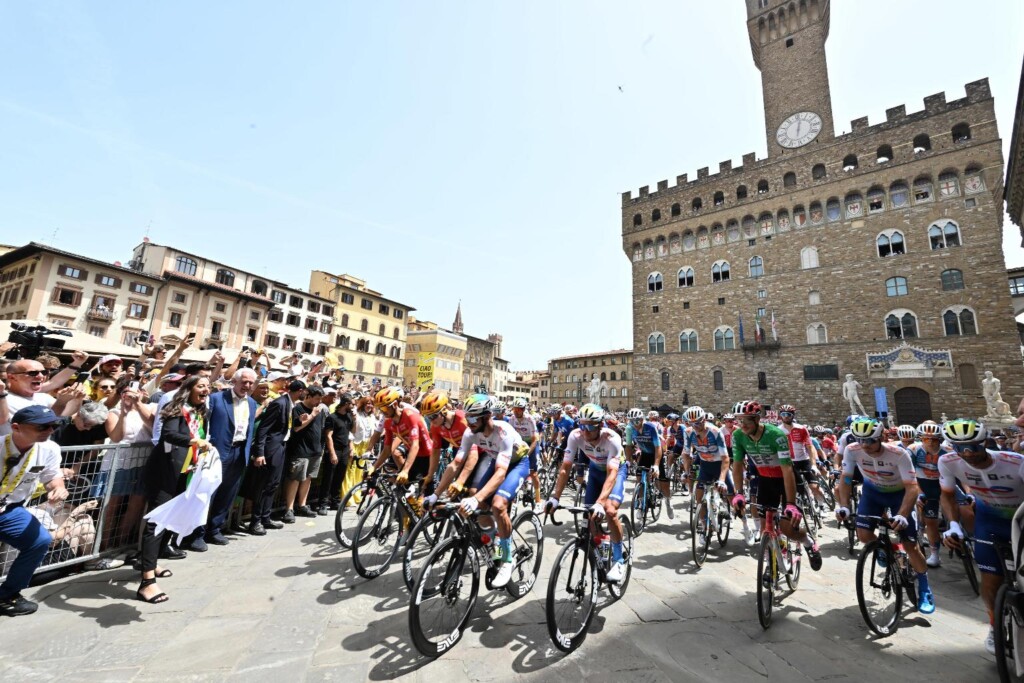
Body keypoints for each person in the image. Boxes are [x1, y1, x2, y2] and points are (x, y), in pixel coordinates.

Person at [939, 419, 1024, 655]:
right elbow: (946, 494)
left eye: (973, 447)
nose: (967, 453)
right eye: (960, 448)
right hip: (989, 519)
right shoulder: (948, 461)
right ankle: (994, 624)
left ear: (985, 442)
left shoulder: (1015, 462)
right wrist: (954, 524)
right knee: (989, 578)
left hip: (1020, 518)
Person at [837, 417, 934, 614]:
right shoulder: (852, 449)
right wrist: (844, 505)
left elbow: (912, 487)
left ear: (881, 437)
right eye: (860, 439)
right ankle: (890, 552)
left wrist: (903, 514)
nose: (865, 445)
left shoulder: (898, 453)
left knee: (911, 545)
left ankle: (924, 586)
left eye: (870, 440)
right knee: (863, 535)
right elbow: (846, 478)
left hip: (899, 495)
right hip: (873, 494)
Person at [138, 375, 211, 603]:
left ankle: (152, 563)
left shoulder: (202, 411)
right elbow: (168, 434)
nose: (206, 390)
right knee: (156, 521)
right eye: (201, 386)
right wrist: (193, 442)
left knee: (170, 519)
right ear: (188, 389)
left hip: (186, 471)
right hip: (165, 470)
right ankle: (146, 583)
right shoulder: (176, 408)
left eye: (208, 387)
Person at [444, 394, 529, 588]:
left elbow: (501, 473)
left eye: (474, 418)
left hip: (517, 464)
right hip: (497, 460)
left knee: (498, 505)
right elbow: (456, 463)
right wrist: (435, 492)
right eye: (467, 418)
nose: (469, 423)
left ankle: (507, 559)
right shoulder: (470, 433)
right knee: (481, 504)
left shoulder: (503, 431)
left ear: (487, 416)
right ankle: (495, 542)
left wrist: (475, 498)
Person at [730, 400, 822, 571]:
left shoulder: (775, 435)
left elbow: (787, 469)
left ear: (757, 419)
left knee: (788, 529)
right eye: (738, 420)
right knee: (767, 527)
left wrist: (791, 504)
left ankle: (808, 543)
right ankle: (770, 560)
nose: (741, 425)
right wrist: (739, 493)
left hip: (786, 479)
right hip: (766, 480)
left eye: (746, 420)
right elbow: (737, 465)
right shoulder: (738, 436)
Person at [546, 403, 629, 582]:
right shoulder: (575, 435)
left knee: (609, 510)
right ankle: (600, 547)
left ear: (600, 425)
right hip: (596, 470)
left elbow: (612, 474)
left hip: (616, 471)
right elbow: (565, 467)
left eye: (590, 426)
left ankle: (619, 559)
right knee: (589, 516)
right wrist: (555, 497)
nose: (585, 431)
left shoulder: (612, 438)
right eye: (581, 425)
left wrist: (601, 502)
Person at [0, 406, 68, 616]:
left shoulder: (50, 448)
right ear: (16, 428)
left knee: (39, 541)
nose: (49, 430)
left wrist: (59, 487)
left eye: (53, 425)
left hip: (10, 509)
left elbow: (51, 477)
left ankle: (7, 596)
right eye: (42, 426)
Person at [201, 368, 257, 545]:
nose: (246, 386)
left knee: (227, 494)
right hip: (217, 453)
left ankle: (214, 529)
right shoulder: (217, 399)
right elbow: (205, 423)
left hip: (239, 453)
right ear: (235, 381)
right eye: (244, 382)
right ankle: (197, 534)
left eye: (250, 383)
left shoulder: (252, 403)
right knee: (208, 493)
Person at [248, 380, 305, 534]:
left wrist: (299, 420)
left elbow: (285, 425)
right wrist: (259, 452)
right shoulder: (279, 403)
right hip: (270, 449)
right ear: (299, 391)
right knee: (264, 486)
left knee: (273, 484)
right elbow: (263, 428)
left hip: (281, 447)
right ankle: (255, 521)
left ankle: (265, 518)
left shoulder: (290, 404)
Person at [282, 385, 327, 522]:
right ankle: (289, 508)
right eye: (317, 398)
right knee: (295, 478)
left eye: (320, 399)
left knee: (308, 478)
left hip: (315, 450)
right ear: (308, 396)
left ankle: (302, 505)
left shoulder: (320, 410)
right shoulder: (298, 408)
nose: (319, 402)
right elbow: (296, 428)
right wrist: (312, 415)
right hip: (300, 450)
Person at [322, 393, 355, 513]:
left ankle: (335, 501)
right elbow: (328, 436)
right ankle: (323, 503)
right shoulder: (332, 417)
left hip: (345, 449)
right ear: (345, 404)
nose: (353, 406)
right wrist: (332, 453)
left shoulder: (349, 417)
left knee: (339, 476)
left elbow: (352, 431)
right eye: (351, 404)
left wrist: (354, 419)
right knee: (328, 477)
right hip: (334, 449)